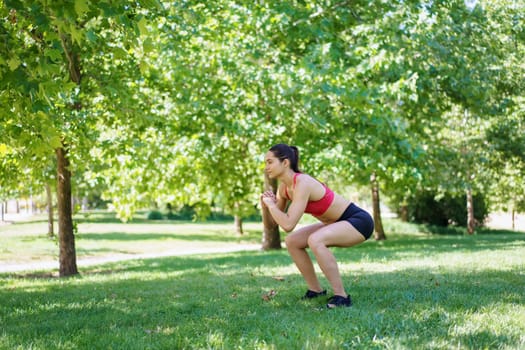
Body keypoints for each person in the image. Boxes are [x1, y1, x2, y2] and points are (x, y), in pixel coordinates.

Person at [261, 143, 374, 308]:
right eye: (265, 163)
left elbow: (288, 224)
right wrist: (266, 208)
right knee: (292, 241)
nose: (266, 167)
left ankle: (341, 297)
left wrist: (272, 206)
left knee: (315, 239)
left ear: (285, 163)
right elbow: (271, 225)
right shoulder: (284, 188)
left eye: (270, 162)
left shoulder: (302, 182)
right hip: (336, 223)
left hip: (358, 221)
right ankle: (315, 290)